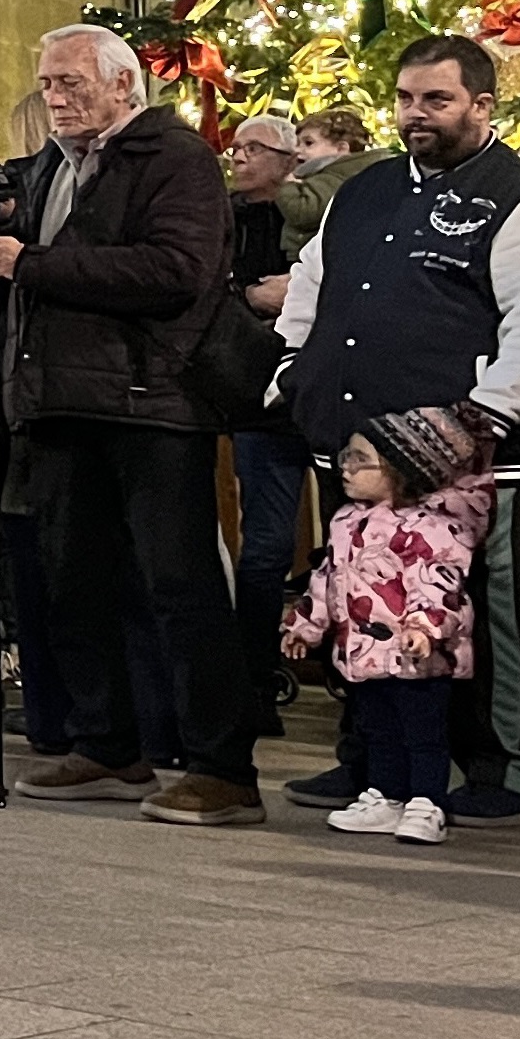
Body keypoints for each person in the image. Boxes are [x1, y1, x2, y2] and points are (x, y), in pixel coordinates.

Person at [270, 36, 520, 827]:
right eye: (408, 98)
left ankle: (499, 768)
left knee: (490, 611)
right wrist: (291, 371)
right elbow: (313, 285)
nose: (417, 114)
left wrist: (480, 418)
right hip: (357, 449)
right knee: (360, 599)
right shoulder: (366, 189)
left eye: (437, 100)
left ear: (483, 106)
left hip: (479, 458)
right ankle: (372, 763)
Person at [0, 24, 264, 824]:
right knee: (75, 580)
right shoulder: (47, 168)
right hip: (62, 402)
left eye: (71, 82)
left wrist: (32, 262)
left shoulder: (174, 160)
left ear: (124, 87)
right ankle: (107, 743)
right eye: (47, 83)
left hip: (152, 403)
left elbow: (177, 270)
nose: (55, 97)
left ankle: (221, 765)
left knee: (179, 584)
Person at [283, 406, 495, 845]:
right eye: (347, 456)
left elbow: (441, 584)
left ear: (401, 470)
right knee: (377, 729)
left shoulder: (435, 528)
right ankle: (385, 796)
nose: (347, 467)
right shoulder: (345, 521)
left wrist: (425, 627)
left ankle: (426, 802)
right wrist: (306, 625)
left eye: (361, 460)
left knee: (423, 732)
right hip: (364, 654)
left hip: (417, 657)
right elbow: (328, 578)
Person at [223, 113, 314, 734]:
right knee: (265, 547)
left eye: (256, 148)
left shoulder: (318, 216)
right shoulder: (223, 217)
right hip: (257, 398)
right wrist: (248, 297)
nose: (240, 157)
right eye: (236, 148)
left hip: (326, 392)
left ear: (292, 162)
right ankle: (251, 682)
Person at [278, 107, 380, 242]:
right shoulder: (329, 173)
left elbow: (303, 212)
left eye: (308, 143)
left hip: (315, 255)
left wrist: (286, 183)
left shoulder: (338, 176)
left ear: (341, 148)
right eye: (297, 143)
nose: (297, 150)